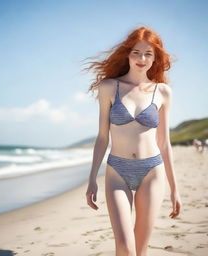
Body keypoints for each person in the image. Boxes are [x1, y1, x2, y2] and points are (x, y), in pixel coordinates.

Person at [84, 26, 182, 256]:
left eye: (148, 53)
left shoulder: (163, 92)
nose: (142, 58)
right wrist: (91, 179)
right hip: (118, 171)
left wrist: (175, 189)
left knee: (141, 248)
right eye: (137, 52)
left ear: (155, 58)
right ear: (127, 53)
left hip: (152, 171)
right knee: (125, 248)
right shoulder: (109, 87)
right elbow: (101, 137)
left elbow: (164, 142)